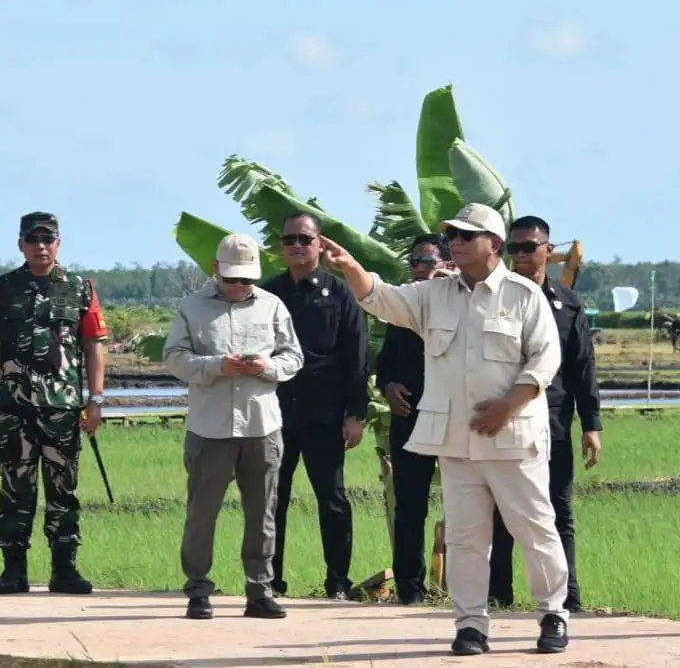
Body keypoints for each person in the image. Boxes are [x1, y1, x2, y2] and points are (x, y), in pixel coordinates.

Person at [319, 202, 572, 656]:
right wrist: (350, 266)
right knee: (465, 536)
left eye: (465, 235)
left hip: (512, 437)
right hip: (456, 440)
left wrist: (509, 405)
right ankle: (471, 624)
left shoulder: (522, 295)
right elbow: (381, 297)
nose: (454, 240)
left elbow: (545, 359)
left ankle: (552, 613)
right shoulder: (432, 294)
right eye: (452, 233)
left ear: (493, 244)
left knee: (534, 528)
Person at [163, 234, 304, 620]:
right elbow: (174, 358)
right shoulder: (191, 308)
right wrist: (215, 366)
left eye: (248, 280)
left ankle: (260, 591)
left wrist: (268, 367)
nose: (242, 286)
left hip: (262, 425)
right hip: (209, 429)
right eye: (234, 279)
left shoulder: (273, 306)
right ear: (216, 270)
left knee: (263, 513)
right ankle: (198, 590)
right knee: (202, 513)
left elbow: (293, 356)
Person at [0, 212, 108, 596]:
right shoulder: (2, 288)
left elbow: (95, 346)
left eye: (48, 239)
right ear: (21, 244)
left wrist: (96, 401)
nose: (41, 246)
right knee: (15, 489)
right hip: (15, 410)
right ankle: (13, 571)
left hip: (63, 410)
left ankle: (65, 569)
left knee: (63, 490)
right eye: (33, 239)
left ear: (59, 243)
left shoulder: (80, 288)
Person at [489, 214, 602, 613]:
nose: (520, 255)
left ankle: (567, 597)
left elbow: (582, 367)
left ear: (547, 251)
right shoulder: (493, 297)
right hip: (502, 419)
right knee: (500, 510)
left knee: (558, 509)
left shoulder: (567, 304)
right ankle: (497, 596)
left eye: (528, 247)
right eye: (513, 247)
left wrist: (591, 425)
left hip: (552, 421)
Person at [262, 211, 369, 600]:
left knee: (333, 500)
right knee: (273, 500)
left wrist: (356, 414)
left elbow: (356, 357)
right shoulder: (268, 293)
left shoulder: (338, 293)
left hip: (325, 414)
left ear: (319, 244)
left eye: (304, 239)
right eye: (289, 239)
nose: (296, 245)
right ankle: (270, 580)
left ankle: (338, 582)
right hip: (276, 413)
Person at [373, 233, 453, 605]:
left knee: (468, 506)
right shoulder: (403, 309)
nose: (418, 269)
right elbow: (385, 362)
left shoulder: (462, 304)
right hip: (412, 419)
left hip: (456, 420)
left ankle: (477, 590)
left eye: (426, 262)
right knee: (409, 506)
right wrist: (389, 386)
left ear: (447, 265)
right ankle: (411, 590)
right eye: (415, 263)